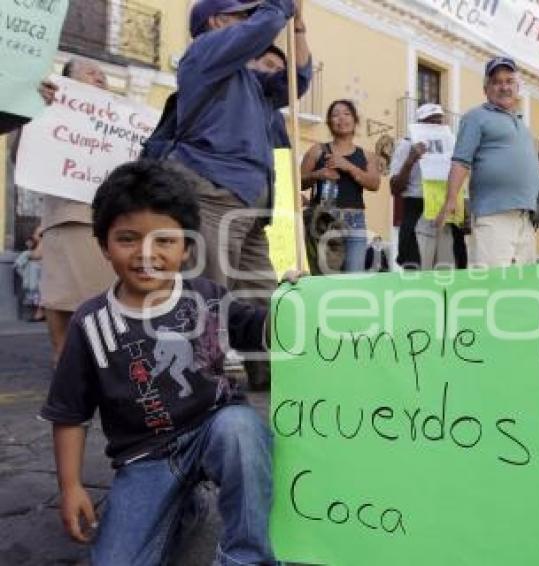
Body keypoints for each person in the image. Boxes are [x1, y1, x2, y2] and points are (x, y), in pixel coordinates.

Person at [40, 160, 298, 565]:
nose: (147, 254)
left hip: (216, 427)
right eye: (128, 239)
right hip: (146, 459)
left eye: (164, 240)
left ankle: (246, 556)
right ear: (104, 245)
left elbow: (264, 330)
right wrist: (70, 486)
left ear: (186, 247)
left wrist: (293, 297)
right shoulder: (90, 323)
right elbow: (69, 414)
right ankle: (184, 507)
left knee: (241, 431)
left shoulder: (208, 295)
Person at [174, 0, 303, 390]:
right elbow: (262, 27)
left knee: (262, 291)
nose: (251, 21)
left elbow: (296, 79)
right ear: (217, 21)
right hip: (213, 190)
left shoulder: (249, 83)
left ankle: (266, 372)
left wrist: (301, 27)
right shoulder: (204, 51)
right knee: (209, 290)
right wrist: (280, 6)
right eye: (242, 15)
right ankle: (199, 383)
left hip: (251, 204)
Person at [38, 59, 115, 366]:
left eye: (101, 73)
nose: (99, 74)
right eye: (89, 71)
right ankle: (63, 362)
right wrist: (37, 110)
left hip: (109, 216)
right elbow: (25, 156)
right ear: (67, 81)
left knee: (106, 299)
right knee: (63, 296)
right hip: (70, 213)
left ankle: (99, 367)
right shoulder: (49, 111)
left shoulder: (118, 118)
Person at [435, 56, 539, 267]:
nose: (503, 87)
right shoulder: (476, 117)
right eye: (496, 82)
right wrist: (450, 201)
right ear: (486, 89)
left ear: (517, 87)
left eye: (509, 81)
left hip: (525, 219)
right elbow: (461, 161)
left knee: (523, 290)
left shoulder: (522, 124)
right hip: (493, 216)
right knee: (491, 286)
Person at [300, 99, 382, 273]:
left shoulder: (366, 155)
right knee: (325, 278)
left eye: (346, 114)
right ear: (329, 123)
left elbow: (375, 184)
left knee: (353, 278)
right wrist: (318, 174)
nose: (341, 119)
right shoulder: (317, 150)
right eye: (335, 115)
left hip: (356, 222)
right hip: (324, 221)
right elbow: (298, 182)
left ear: (355, 120)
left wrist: (348, 166)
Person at [390, 103, 466, 270]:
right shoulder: (406, 145)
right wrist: (410, 161)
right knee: (419, 274)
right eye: (429, 122)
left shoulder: (452, 146)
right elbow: (394, 188)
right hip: (419, 214)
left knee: (449, 272)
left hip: (448, 215)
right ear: (419, 124)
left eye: (439, 122)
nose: (435, 126)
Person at [14, 227, 45, 322]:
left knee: (40, 294)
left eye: (37, 234)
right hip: (38, 276)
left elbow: (36, 255)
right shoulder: (38, 244)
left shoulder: (43, 243)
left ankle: (39, 314)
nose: (34, 236)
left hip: (42, 275)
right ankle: (39, 313)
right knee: (38, 295)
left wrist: (28, 255)